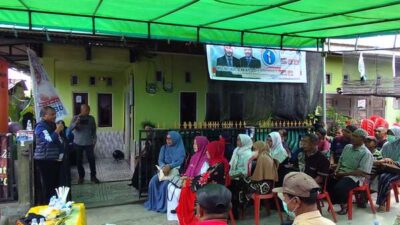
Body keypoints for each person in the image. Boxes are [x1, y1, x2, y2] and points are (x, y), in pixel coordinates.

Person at [177, 141, 230, 225]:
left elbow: (203, 180)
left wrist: (191, 183)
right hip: (214, 190)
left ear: (214, 151)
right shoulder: (217, 163)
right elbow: (204, 176)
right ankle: (186, 215)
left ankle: (188, 218)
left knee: (186, 189)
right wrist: (191, 179)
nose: (206, 152)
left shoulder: (217, 166)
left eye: (208, 150)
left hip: (213, 193)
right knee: (186, 186)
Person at [328, 128, 373, 215]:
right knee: (328, 181)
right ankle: (337, 201)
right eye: (353, 135)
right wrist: (336, 172)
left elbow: (360, 172)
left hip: (355, 177)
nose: (352, 137)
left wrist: (342, 174)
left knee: (340, 187)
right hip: (342, 173)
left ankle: (344, 206)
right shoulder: (347, 147)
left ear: (362, 139)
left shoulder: (366, 153)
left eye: (356, 136)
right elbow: (340, 161)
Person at [167, 136, 209, 221]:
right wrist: (184, 176)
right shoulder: (194, 156)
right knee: (170, 185)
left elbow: (202, 176)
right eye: (193, 143)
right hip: (188, 180)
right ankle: (177, 211)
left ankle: (182, 211)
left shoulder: (205, 160)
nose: (194, 145)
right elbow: (188, 170)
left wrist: (188, 178)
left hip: (196, 184)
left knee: (183, 188)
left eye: (196, 144)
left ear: (202, 145)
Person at [144, 131, 185, 213]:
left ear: (175, 139)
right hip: (163, 170)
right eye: (167, 139)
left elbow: (180, 161)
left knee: (164, 186)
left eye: (170, 139)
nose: (168, 141)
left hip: (174, 171)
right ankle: (154, 204)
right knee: (153, 182)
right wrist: (163, 167)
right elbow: (160, 160)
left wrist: (170, 166)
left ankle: (162, 206)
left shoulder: (180, 149)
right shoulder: (164, 148)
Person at [34, 106, 64, 204]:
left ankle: (53, 205)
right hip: (44, 160)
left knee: (54, 185)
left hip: (53, 159)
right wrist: (57, 130)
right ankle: (46, 206)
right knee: (47, 186)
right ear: (44, 115)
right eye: (52, 114)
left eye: (55, 114)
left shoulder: (52, 125)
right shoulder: (40, 126)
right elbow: (49, 140)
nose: (54, 116)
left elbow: (59, 141)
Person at [70, 104, 99, 184]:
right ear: (81, 110)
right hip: (78, 143)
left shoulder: (91, 118)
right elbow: (70, 128)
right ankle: (81, 177)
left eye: (88, 110)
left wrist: (94, 140)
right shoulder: (75, 117)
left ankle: (93, 176)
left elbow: (94, 130)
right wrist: (76, 122)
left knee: (92, 160)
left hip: (89, 143)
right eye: (85, 110)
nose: (87, 111)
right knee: (79, 161)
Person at [375, 126, 400, 212]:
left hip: (397, 170)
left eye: (392, 134)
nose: (389, 136)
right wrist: (383, 160)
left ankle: (381, 203)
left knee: (384, 178)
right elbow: (381, 156)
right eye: (388, 133)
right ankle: (363, 198)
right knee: (371, 174)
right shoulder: (386, 144)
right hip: (386, 168)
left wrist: (392, 161)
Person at [229, 134, 253, 219]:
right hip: (234, 174)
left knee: (231, 186)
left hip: (242, 178)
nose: (237, 142)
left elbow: (245, 172)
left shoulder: (247, 154)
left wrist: (233, 175)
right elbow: (231, 164)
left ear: (244, 141)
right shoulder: (236, 150)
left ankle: (234, 213)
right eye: (237, 140)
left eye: (239, 140)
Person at [128, 122, 155, 189]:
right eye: (146, 130)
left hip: (152, 159)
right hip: (147, 157)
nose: (147, 131)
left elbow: (152, 150)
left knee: (141, 167)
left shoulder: (154, 138)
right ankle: (134, 183)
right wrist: (139, 155)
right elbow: (145, 148)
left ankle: (141, 186)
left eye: (148, 130)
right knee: (138, 165)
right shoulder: (148, 138)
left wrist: (142, 155)